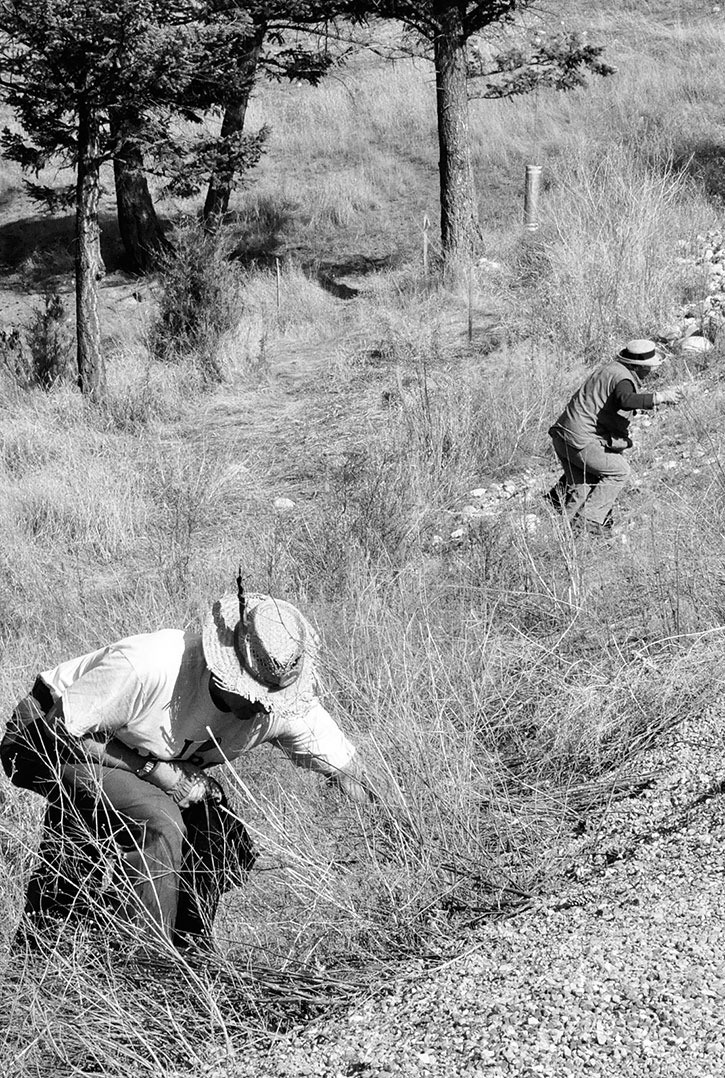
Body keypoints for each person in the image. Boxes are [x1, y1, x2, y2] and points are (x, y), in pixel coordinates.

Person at [1, 578, 371, 954]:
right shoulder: (151, 665)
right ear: (223, 670)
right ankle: (147, 967)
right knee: (157, 821)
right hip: (42, 737)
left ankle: (188, 952)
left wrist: (401, 832)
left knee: (219, 833)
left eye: (270, 697)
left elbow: (351, 771)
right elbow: (58, 730)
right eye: (253, 694)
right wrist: (158, 772)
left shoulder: (279, 704)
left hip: (121, 751)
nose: (262, 708)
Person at [546, 338, 681, 535]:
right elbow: (625, 400)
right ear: (637, 366)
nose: (651, 371)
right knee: (619, 471)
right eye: (648, 367)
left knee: (583, 488)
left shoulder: (610, 370)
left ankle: (563, 539)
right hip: (580, 439)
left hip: (563, 435)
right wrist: (659, 398)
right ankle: (589, 522)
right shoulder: (623, 379)